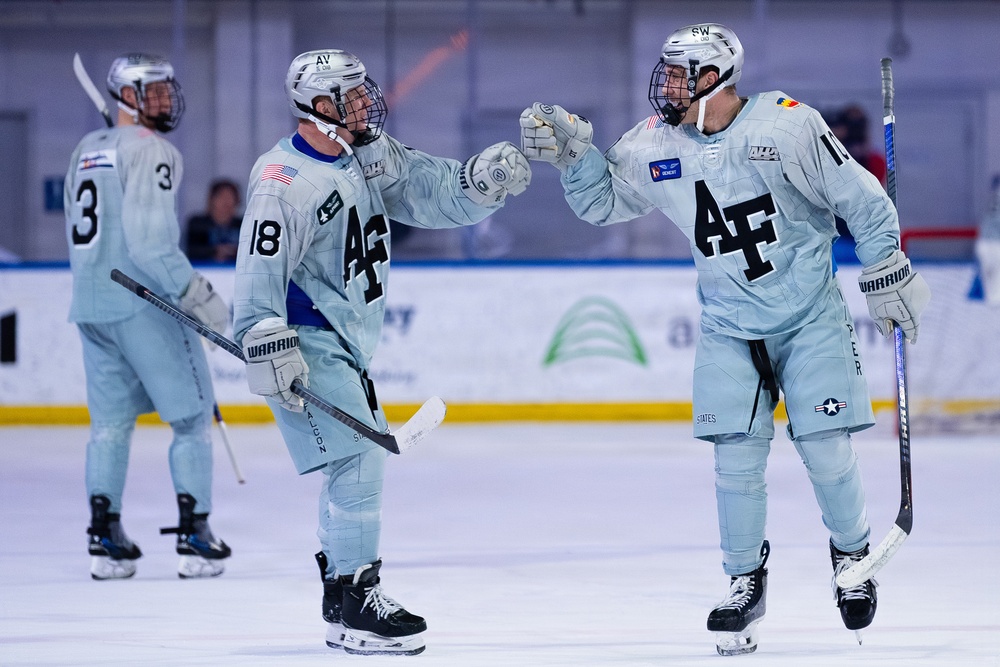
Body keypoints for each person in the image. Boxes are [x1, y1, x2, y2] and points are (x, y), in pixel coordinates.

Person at [520, 23, 930, 655]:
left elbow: (864, 199)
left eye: (678, 75)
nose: (666, 86)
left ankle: (852, 557)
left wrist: (886, 269)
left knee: (825, 447)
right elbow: (602, 203)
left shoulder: (788, 126)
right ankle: (744, 582)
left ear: (712, 78)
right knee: (735, 460)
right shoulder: (654, 143)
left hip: (809, 317)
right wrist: (575, 160)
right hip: (727, 325)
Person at [232, 49, 529, 656]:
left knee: (350, 465)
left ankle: (340, 598)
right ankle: (359, 598)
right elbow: (257, 277)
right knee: (361, 460)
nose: (368, 102)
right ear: (320, 105)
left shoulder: (363, 152)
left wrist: (480, 183)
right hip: (308, 339)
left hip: (348, 341)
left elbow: (429, 192)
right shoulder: (283, 183)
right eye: (352, 95)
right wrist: (264, 336)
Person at [65, 53, 232, 581]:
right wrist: (198, 295)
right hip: (144, 301)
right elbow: (152, 244)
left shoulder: (86, 149)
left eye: (164, 88)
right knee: (192, 418)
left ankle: (104, 539)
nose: (164, 98)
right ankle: (195, 538)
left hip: (91, 303)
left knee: (109, 426)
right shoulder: (153, 150)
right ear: (125, 95)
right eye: (152, 90)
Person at [185, 179, 243, 263]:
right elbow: (192, 250)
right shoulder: (197, 224)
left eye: (230, 197)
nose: (226, 202)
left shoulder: (243, 225)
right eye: (221, 197)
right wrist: (214, 251)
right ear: (211, 200)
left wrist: (234, 252)